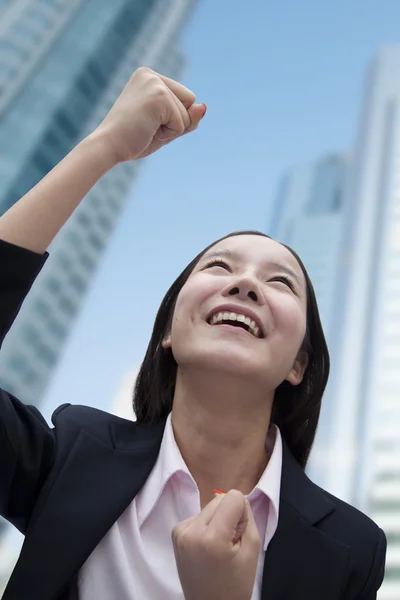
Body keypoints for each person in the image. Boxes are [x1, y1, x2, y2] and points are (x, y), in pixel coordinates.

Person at [0, 67, 386, 600]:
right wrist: (105, 145)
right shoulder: (72, 454)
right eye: (220, 267)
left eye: (279, 282)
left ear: (299, 363)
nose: (246, 283)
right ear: (168, 335)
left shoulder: (351, 549)